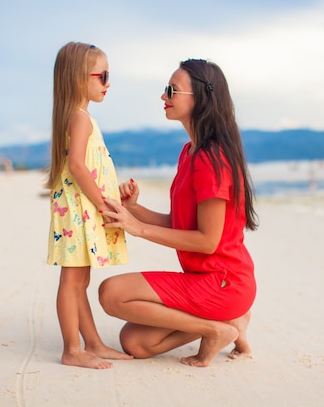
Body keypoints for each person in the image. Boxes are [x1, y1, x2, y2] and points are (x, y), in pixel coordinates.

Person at [99, 58, 258, 367]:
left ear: (199, 99)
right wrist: (134, 210)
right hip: (204, 280)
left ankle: (221, 325)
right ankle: (225, 326)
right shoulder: (189, 152)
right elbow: (181, 225)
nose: (163, 97)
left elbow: (207, 241)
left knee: (112, 294)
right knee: (136, 342)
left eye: (171, 91)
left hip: (223, 282)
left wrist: (137, 228)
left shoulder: (212, 159)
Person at [45, 42, 132, 369]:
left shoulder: (78, 117)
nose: (108, 83)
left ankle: (92, 342)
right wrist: (103, 203)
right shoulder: (80, 119)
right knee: (72, 280)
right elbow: (79, 167)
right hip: (80, 210)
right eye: (103, 76)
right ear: (78, 78)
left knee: (80, 280)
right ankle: (72, 349)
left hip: (80, 209)